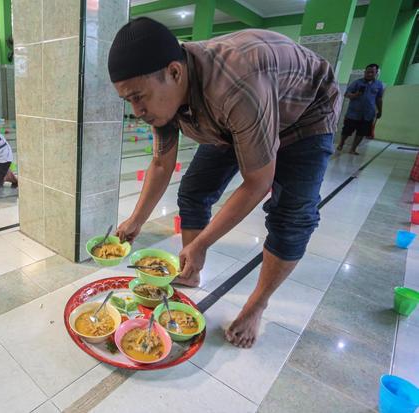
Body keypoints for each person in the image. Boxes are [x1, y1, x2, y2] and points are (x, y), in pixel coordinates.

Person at [108, 18, 340, 348]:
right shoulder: (162, 97)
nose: (137, 110)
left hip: (305, 110)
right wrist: (136, 220)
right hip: (241, 116)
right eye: (128, 100)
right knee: (194, 190)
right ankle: (191, 269)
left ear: (175, 73)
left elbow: (258, 182)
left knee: (292, 217)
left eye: (139, 97)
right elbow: (161, 162)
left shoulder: (235, 85)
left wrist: (203, 242)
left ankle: (257, 305)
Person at [336, 64, 384, 154]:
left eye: (372, 72)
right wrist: (355, 95)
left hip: (368, 114)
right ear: (365, 72)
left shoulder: (379, 85)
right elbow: (346, 94)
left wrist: (380, 111)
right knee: (347, 130)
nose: (369, 74)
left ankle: (353, 149)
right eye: (367, 72)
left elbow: (379, 99)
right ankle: (341, 143)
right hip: (353, 113)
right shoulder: (357, 82)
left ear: (376, 73)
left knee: (362, 132)